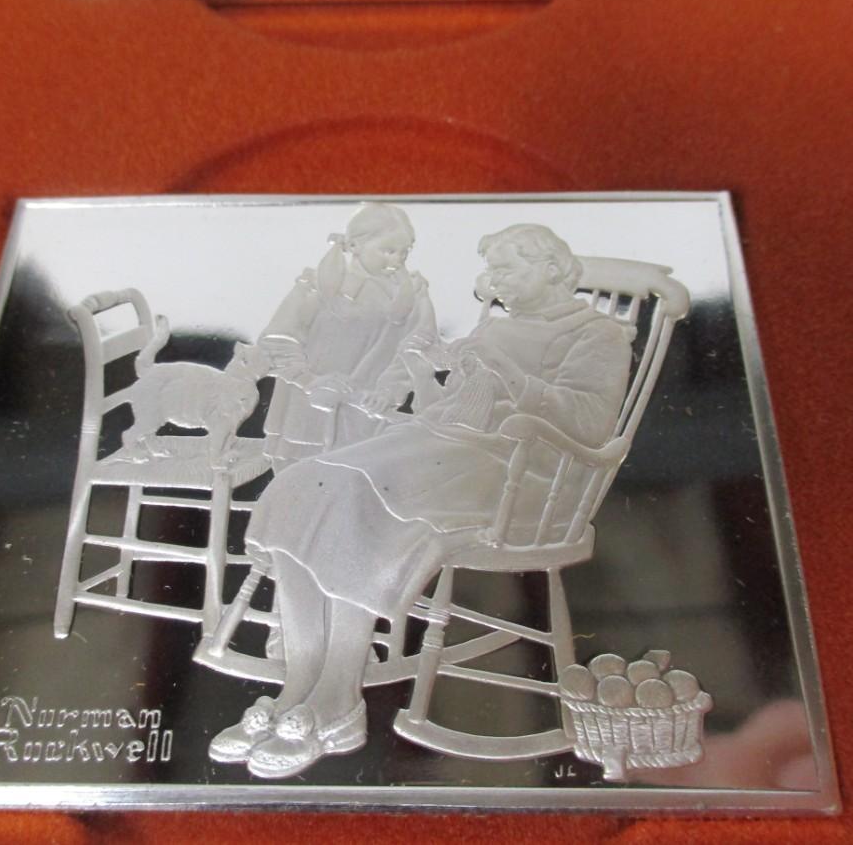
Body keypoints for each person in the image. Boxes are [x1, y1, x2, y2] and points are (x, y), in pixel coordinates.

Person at [209, 223, 634, 778]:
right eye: (492, 269)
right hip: (448, 450)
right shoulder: (496, 328)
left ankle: (338, 698)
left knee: (360, 500)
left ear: (551, 268)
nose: (494, 280)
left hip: (522, 476)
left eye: (507, 268)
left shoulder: (598, 334)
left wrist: (509, 378)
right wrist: (422, 371)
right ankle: (299, 686)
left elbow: (591, 424)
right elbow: (448, 408)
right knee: (304, 483)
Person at [258, 203, 437, 472]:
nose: (397, 261)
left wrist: (389, 391)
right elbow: (278, 338)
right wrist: (309, 381)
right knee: (295, 486)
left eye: (404, 252)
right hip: (305, 418)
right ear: (354, 246)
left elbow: (416, 346)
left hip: (366, 419)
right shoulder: (318, 284)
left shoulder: (412, 294)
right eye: (388, 251)